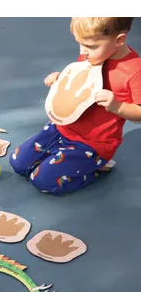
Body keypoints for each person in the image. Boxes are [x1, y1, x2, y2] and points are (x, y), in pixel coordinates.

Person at [10, 15, 141, 195]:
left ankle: (95, 169)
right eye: (79, 43)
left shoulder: (134, 71)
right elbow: (80, 81)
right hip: (62, 128)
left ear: (119, 40)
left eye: (90, 46)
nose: (83, 51)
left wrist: (118, 106)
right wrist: (60, 79)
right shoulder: (93, 54)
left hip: (93, 145)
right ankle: (71, 160)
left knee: (42, 181)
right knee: (18, 162)